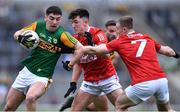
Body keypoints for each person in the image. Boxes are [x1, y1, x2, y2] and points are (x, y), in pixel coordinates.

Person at [68, 16, 179, 111]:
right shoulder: (146, 37)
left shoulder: (120, 41)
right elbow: (167, 51)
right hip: (161, 81)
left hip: (143, 83)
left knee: (119, 105)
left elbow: (96, 50)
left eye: (117, 29)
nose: (116, 32)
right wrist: (176, 55)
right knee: (167, 110)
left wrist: (82, 49)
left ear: (124, 29)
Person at [3, 6, 83, 111]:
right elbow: (17, 33)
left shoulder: (62, 34)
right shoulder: (38, 25)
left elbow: (81, 48)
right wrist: (20, 37)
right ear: (45, 17)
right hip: (27, 71)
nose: (55, 22)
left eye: (58, 19)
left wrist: (71, 63)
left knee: (31, 98)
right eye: (51, 18)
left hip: (42, 77)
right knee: (9, 108)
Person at [61, 8, 123, 111]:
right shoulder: (74, 39)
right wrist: (73, 82)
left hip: (108, 79)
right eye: (72, 23)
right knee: (75, 110)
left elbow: (105, 54)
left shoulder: (98, 34)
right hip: (90, 82)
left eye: (76, 22)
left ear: (86, 22)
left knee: (122, 107)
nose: (73, 26)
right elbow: (78, 64)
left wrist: (91, 46)